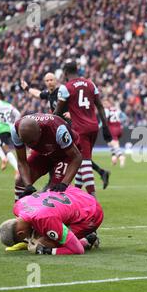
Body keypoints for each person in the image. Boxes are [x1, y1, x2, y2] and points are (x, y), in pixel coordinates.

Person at [20, 74, 110, 190]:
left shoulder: (61, 92)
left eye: (51, 80)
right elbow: (37, 94)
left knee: (72, 156)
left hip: (69, 128)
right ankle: (98, 174)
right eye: (47, 80)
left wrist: (72, 114)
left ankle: (55, 184)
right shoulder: (49, 94)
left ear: (56, 81)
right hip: (57, 128)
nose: (49, 82)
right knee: (77, 156)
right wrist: (27, 89)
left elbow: (76, 103)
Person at [55, 62, 113, 197]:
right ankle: (75, 195)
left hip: (80, 129)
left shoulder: (66, 87)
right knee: (81, 159)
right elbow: (100, 106)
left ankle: (92, 198)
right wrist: (105, 126)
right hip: (94, 127)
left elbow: (57, 111)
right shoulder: (90, 84)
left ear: (65, 73)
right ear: (78, 70)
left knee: (85, 161)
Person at [0, 186, 103, 255]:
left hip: (91, 212)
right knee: (42, 233)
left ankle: (87, 240)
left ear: (21, 234)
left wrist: (44, 250)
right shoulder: (18, 206)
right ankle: (88, 237)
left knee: (45, 241)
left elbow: (78, 250)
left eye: (23, 238)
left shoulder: (45, 220)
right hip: (74, 193)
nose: (27, 239)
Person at [11, 113, 82, 202]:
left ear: (40, 131)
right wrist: (28, 185)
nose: (29, 145)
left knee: (55, 190)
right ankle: (20, 213)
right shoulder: (15, 130)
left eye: (32, 142)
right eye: (26, 143)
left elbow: (77, 157)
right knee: (21, 181)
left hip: (65, 154)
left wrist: (64, 183)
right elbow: (22, 161)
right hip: (44, 152)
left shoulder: (58, 129)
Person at [104, 102, 126, 168]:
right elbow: (124, 117)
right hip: (119, 128)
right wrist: (119, 121)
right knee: (111, 144)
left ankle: (121, 157)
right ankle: (114, 159)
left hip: (112, 129)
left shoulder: (106, 110)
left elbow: (104, 119)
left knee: (114, 145)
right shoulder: (117, 110)